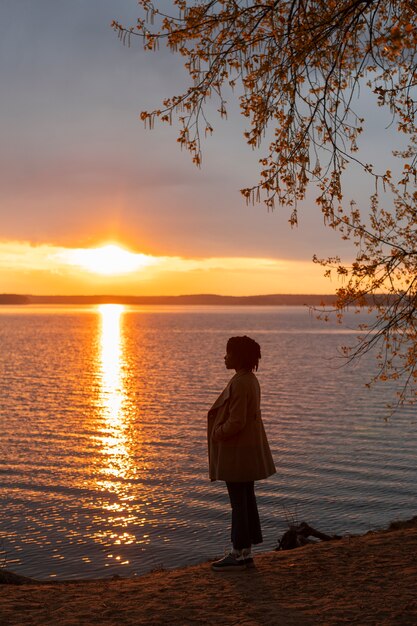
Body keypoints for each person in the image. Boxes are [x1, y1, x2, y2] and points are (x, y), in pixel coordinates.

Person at [207, 335, 276, 571]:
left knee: (239, 503)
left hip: (238, 453)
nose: (224, 357)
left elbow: (237, 421)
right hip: (246, 452)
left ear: (238, 357)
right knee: (246, 500)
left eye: (228, 353)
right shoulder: (250, 379)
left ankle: (238, 553)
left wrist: (218, 432)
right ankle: (245, 553)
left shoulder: (240, 382)